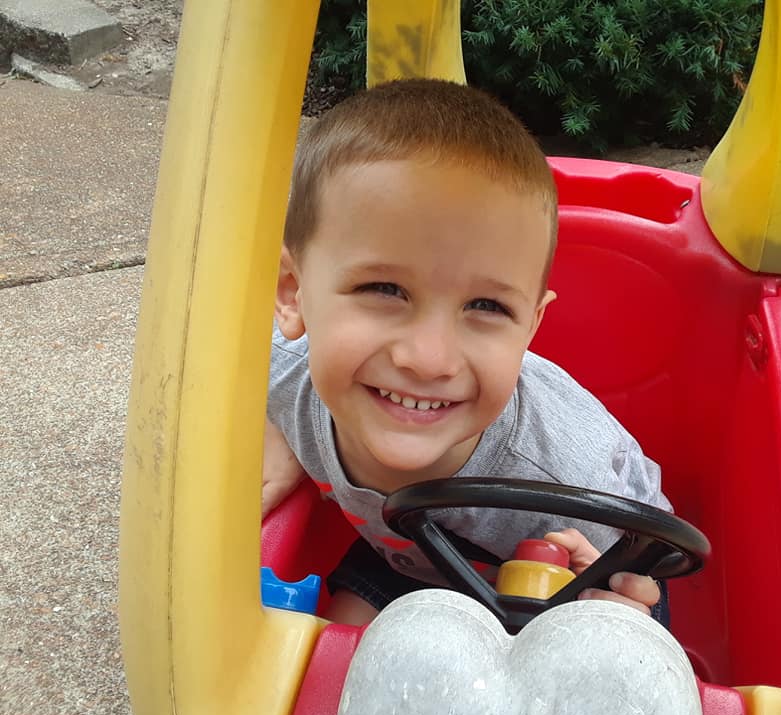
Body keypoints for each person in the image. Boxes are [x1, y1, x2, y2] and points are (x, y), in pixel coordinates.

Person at [262, 78, 673, 626]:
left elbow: (644, 570)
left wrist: (611, 611)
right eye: (384, 290)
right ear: (293, 293)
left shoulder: (558, 480)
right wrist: (273, 427)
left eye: (486, 306)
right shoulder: (278, 370)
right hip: (405, 557)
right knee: (338, 656)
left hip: (568, 567)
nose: (430, 360)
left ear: (531, 325)